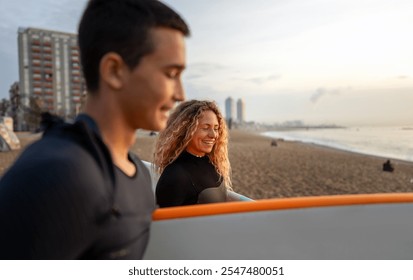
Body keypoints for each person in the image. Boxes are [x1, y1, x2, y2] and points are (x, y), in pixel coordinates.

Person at [0, 0, 189, 259]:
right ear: (114, 71)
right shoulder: (57, 176)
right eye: (170, 74)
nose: (180, 94)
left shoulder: (138, 173)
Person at [154, 100, 232, 207]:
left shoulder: (213, 164)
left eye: (216, 128)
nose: (213, 135)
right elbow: (163, 222)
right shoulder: (175, 175)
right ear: (186, 130)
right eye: (205, 128)